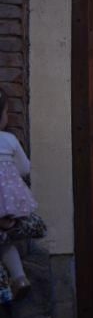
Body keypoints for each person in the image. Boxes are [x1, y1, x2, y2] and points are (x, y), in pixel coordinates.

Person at [0, 90, 39, 301]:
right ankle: (19, 277)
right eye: (6, 111)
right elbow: (25, 169)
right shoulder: (9, 139)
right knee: (5, 242)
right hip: (7, 203)